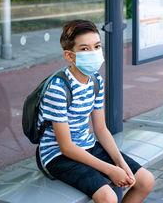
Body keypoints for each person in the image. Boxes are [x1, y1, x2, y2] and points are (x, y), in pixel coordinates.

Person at [38, 19, 154, 203]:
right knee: (108, 197)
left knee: (145, 181)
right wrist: (110, 170)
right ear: (69, 56)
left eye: (97, 46)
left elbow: (100, 128)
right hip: (58, 156)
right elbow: (66, 147)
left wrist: (121, 165)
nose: (93, 53)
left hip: (87, 145)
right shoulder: (57, 89)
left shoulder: (95, 81)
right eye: (84, 49)